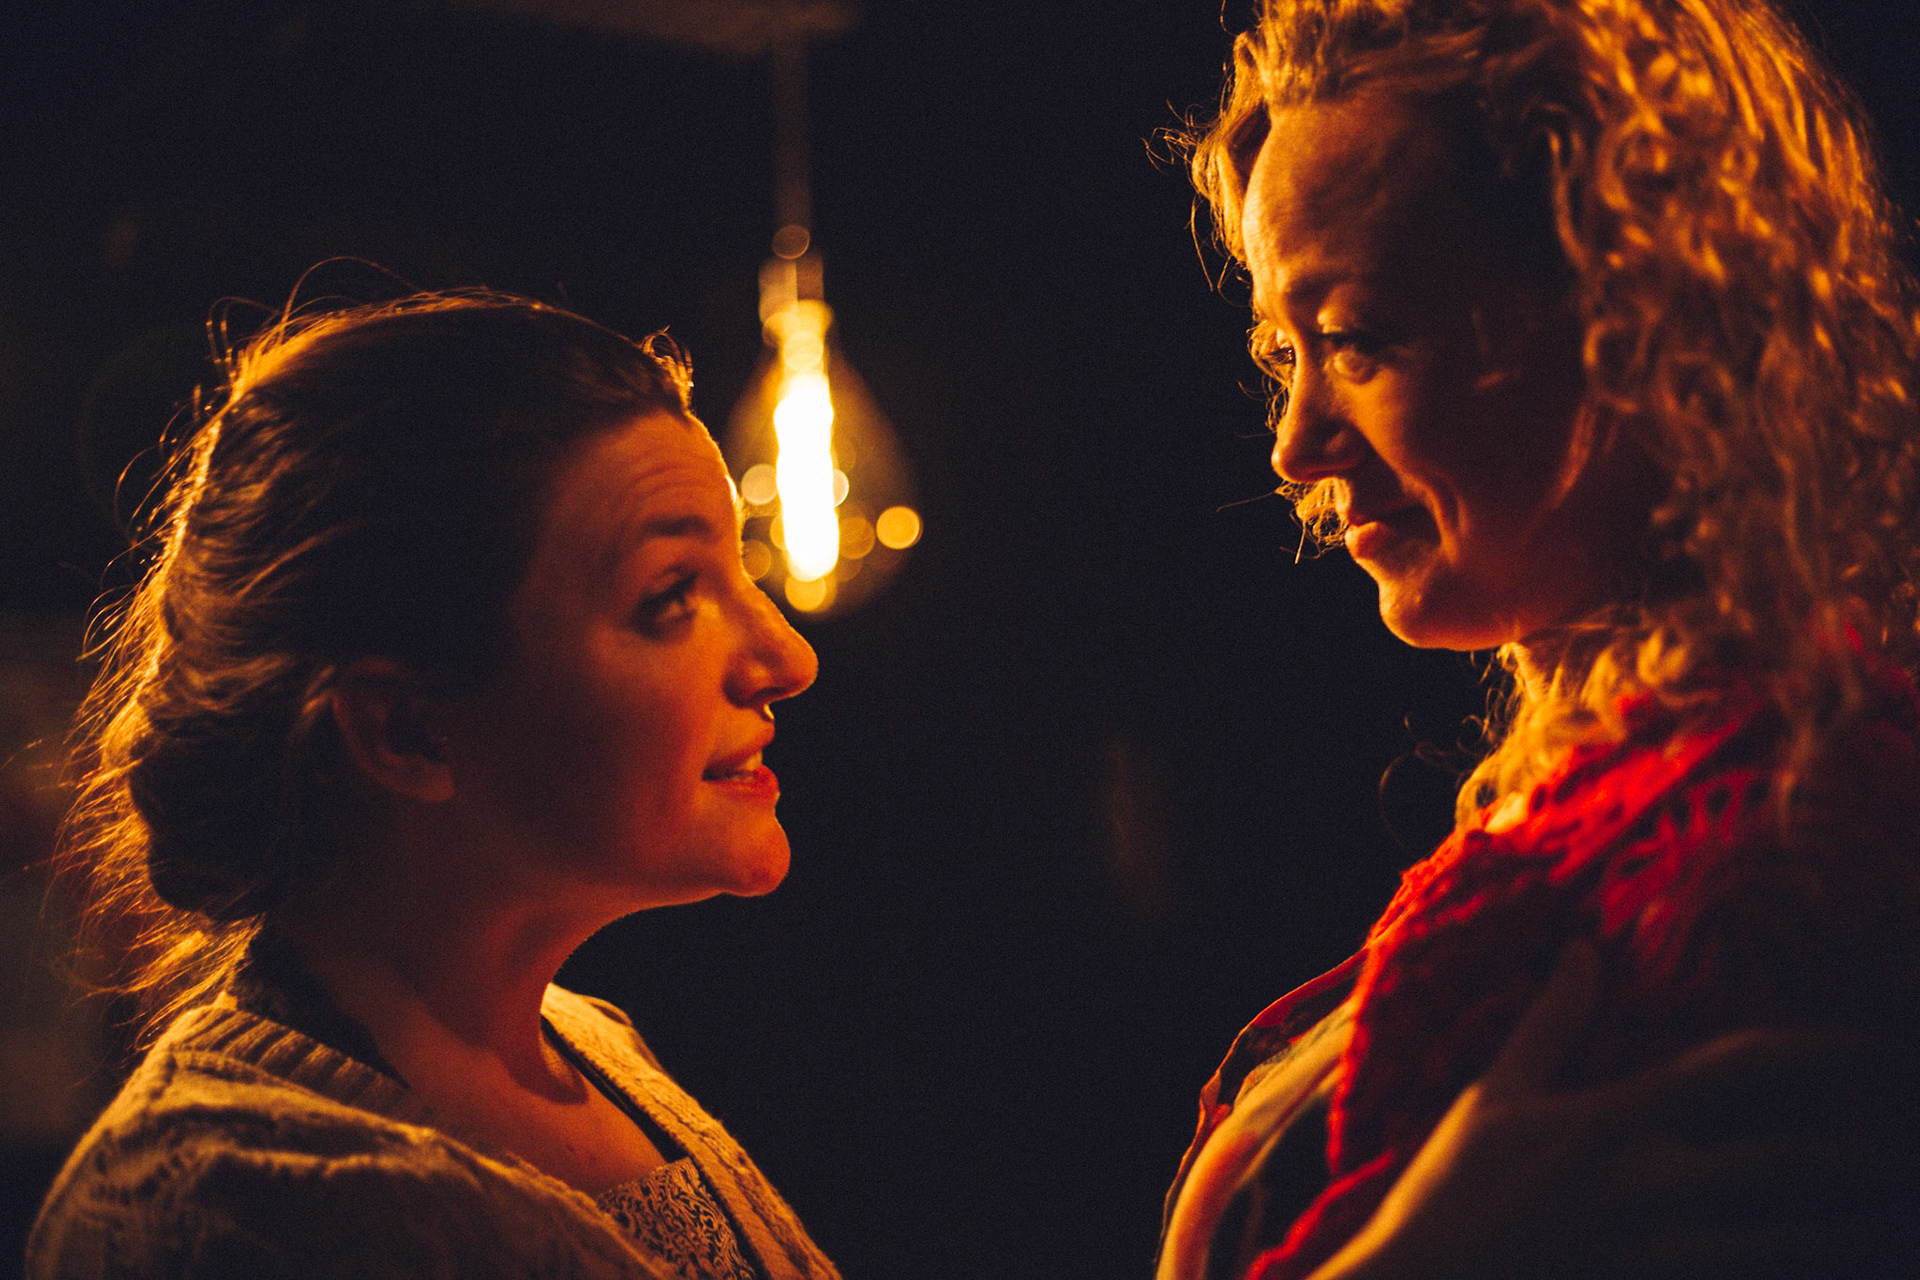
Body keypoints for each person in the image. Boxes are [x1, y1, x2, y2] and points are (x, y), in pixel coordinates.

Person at [1161, 0, 1920, 1277]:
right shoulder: (1606, 804)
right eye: (1285, 353)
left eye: (1355, 338)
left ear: (1637, 318)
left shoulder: (1781, 846)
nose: (1294, 446)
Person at [28, 293, 838, 1280]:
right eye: (673, 595)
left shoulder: (598, 1050)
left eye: (742, 571)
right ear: (406, 730)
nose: (787, 657)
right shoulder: (228, 1212)